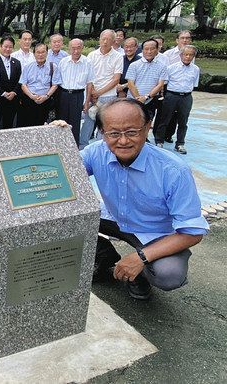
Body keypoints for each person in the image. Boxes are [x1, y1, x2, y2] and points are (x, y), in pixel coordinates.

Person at [79, 99, 209, 300]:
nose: (123, 141)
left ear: (148, 127)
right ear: (102, 133)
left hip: (156, 233)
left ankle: (139, 273)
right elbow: (60, 172)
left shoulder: (173, 170)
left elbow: (192, 232)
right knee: (56, 215)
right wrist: (56, 138)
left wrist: (140, 258)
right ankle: (103, 255)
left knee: (169, 274)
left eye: (132, 132)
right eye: (113, 133)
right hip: (112, 218)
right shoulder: (95, 152)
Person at [79, 29, 123, 147]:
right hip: (91, 93)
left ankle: (101, 147)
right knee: (88, 122)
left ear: (113, 41)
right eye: (103, 39)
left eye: (108, 40)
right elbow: (88, 76)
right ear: (99, 39)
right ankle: (82, 147)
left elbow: (116, 79)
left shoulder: (118, 57)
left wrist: (99, 93)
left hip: (108, 96)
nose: (105, 42)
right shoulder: (92, 55)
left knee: (104, 124)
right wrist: (92, 92)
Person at [154, 45, 200, 154]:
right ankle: (159, 141)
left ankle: (180, 144)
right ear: (181, 55)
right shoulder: (171, 68)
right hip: (171, 95)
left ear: (194, 56)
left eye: (190, 55)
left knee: (183, 122)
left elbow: (194, 84)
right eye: (185, 54)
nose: (188, 57)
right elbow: (164, 84)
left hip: (186, 97)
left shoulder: (196, 69)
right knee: (164, 119)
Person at [57, 38, 93, 145]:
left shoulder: (87, 62)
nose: (76, 51)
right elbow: (57, 81)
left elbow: (89, 83)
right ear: (69, 48)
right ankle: (60, 146)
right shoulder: (63, 62)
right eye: (73, 48)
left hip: (78, 96)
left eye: (78, 48)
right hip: (63, 95)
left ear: (82, 48)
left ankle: (73, 148)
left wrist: (86, 102)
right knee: (61, 123)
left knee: (75, 124)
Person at [18, 42, 61, 127]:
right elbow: (23, 84)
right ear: (34, 54)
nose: (40, 55)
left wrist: (46, 96)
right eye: (38, 52)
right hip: (29, 100)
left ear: (47, 53)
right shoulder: (28, 67)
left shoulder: (53, 67)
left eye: (43, 52)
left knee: (42, 127)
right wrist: (31, 96)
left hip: (45, 101)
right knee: (27, 125)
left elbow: (55, 85)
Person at [125, 39, 168, 120]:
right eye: (146, 49)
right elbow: (131, 84)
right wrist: (138, 99)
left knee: (147, 123)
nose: (149, 51)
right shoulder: (134, 65)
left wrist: (146, 97)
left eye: (152, 49)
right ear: (142, 50)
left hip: (151, 101)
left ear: (157, 49)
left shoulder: (162, 66)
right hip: (133, 100)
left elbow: (160, 85)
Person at [0, 35, 22, 129]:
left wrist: (14, 92)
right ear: (0, 47)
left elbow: (19, 80)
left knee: (9, 126)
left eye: (10, 47)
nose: (8, 49)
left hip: (13, 100)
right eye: (5, 46)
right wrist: (3, 93)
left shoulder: (16, 62)